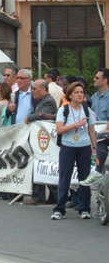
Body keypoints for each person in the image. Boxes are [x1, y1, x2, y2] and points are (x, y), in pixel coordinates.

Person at [51, 82, 97, 220]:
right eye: (76, 92)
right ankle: (59, 209)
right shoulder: (63, 110)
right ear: (70, 95)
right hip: (68, 147)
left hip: (84, 147)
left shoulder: (87, 110)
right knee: (65, 177)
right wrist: (76, 124)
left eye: (81, 92)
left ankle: (85, 208)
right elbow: (60, 129)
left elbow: (92, 131)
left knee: (84, 179)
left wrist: (94, 148)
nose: (79, 95)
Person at [24, 79, 58, 205]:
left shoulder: (48, 101)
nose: (32, 91)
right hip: (41, 140)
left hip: (44, 140)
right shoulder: (41, 101)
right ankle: (53, 196)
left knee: (42, 166)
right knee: (43, 167)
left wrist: (29, 117)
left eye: (35, 88)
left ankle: (39, 196)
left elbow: (42, 115)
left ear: (43, 89)